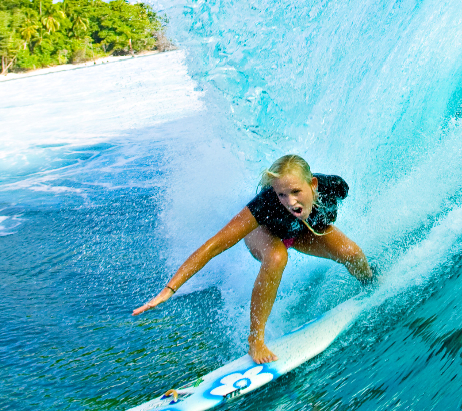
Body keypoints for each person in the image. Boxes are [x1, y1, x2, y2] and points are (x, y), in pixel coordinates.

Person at [132, 154, 373, 363]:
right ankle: (255, 340)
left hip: (302, 232)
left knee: (351, 253)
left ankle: (370, 281)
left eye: (296, 192)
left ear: (313, 184)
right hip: (265, 234)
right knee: (277, 256)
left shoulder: (334, 187)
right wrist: (169, 290)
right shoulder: (265, 205)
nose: (290, 202)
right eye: (282, 194)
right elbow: (213, 246)